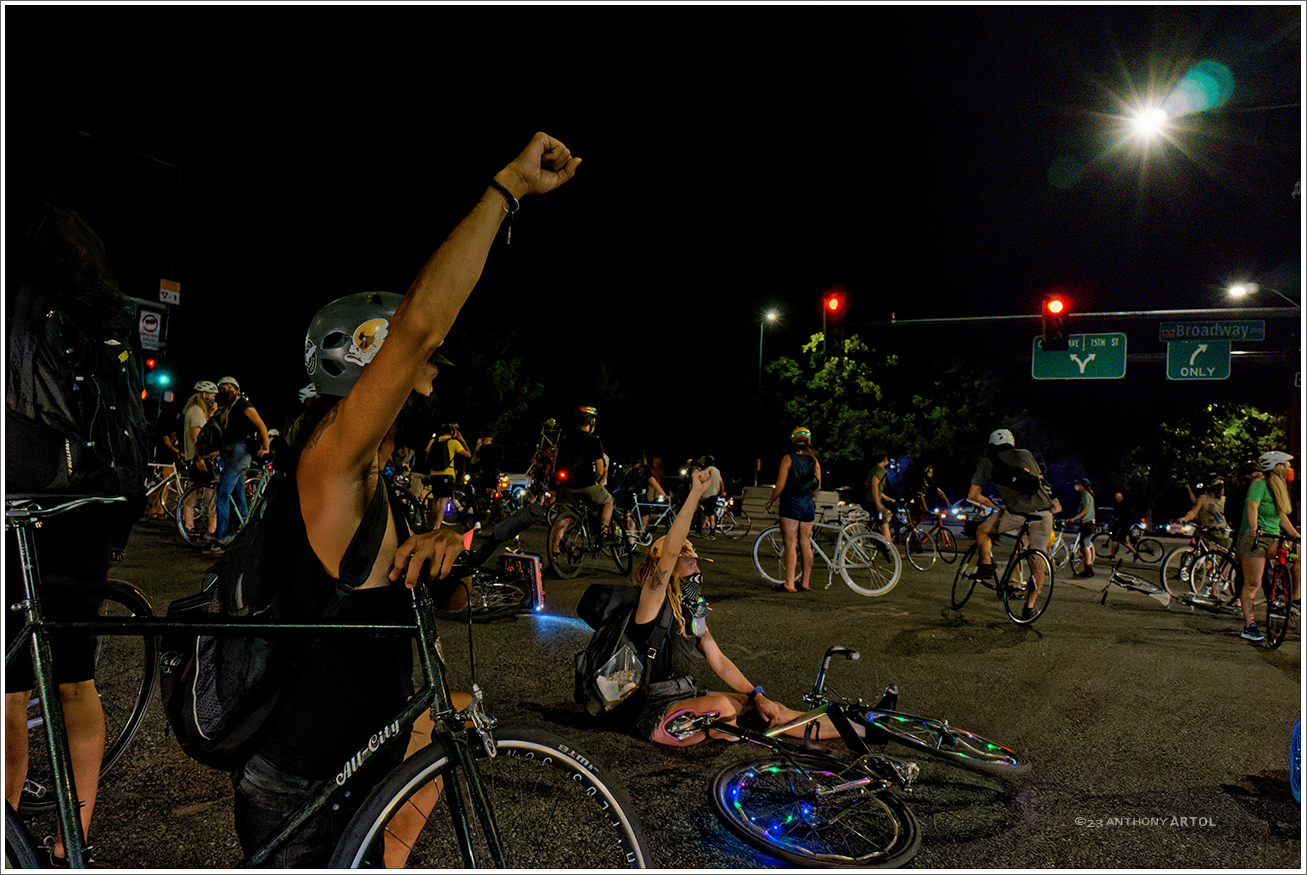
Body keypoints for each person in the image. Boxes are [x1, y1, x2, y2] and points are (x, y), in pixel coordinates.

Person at [230, 131, 580, 867]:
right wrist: (507, 190)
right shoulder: (330, 459)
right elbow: (421, 322)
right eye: (419, 362)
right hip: (305, 786)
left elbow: (432, 600)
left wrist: (441, 548)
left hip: (369, 768)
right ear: (363, 363)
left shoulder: (377, 480)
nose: (432, 373)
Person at [5, 186, 149, 866]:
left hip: (22, 514)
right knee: (74, 680)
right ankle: (73, 840)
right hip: (86, 518)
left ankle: (7, 836)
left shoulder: (15, 303)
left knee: (10, 694)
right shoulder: (103, 315)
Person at [629, 469, 861, 748]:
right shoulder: (651, 604)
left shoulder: (693, 610)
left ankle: (859, 728)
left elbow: (717, 659)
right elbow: (669, 552)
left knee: (766, 708)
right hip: (656, 712)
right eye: (690, 562)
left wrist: (757, 695)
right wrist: (695, 493)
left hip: (687, 696)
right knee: (722, 706)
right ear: (670, 568)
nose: (698, 570)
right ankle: (727, 727)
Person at [966, 429, 1055, 621]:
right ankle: (1029, 606)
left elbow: (972, 495)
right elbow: (1036, 479)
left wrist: (992, 505)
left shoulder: (987, 462)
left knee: (982, 531)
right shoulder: (1026, 455)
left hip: (1016, 514)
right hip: (1043, 514)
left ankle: (986, 565)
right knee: (1038, 560)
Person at [1235, 451, 1300, 642]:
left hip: (1273, 538)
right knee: (1253, 584)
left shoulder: (1278, 487)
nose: (1290, 469)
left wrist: (1296, 536)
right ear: (1277, 466)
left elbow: (1281, 516)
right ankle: (1250, 625)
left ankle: (1295, 601)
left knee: (1299, 555)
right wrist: (1254, 527)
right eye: (1287, 465)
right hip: (1254, 539)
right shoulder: (1259, 484)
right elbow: (1252, 506)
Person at [207, 376, 271, 552]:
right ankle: (244, 532)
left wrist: (265, 447)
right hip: (231, 451)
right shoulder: (229, 407)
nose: (225, 390)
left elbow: (260, 424)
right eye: (222, 388)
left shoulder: (243, 404)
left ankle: (220, 538)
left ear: (236, 389)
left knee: (223, 493)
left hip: (239, 452)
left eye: (229, 387)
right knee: (238, 495)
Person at [763, 427, 822, 592]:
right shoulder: (814, 460)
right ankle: (805, 583)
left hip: (791, 504)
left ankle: (789, 583)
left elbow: (780, 483)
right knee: (806, 543)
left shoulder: (788, 458)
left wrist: (770, 500)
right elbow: (818, 485)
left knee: (790, 544)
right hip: (808, 505)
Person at [552, 406, 617, 545]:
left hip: (566, 486)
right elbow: (600, 471)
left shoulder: (564, 439)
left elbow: (555, 465)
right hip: (586, 485)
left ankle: (555, 549)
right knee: (608, 500)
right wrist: (596, 482)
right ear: (592, 421)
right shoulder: (593, 441)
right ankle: (604, 532)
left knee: (563, 520)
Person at [180, 381, 219, 536]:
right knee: (210, 496)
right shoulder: (197, 412)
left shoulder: (194, 410)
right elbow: (196, 437)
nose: (214, 398)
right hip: (199, 458)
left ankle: (189, 526)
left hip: (193, 457)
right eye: (213, 395)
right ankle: (210, 530)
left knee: (192, 493)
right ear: (204, 395)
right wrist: (201, 457)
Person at [422, 422, 469, 529]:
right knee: (444, 500)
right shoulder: (453, 442)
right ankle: (437, 526)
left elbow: (427, 456)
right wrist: (461, 439)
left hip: (434, 474)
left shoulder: (433, 441)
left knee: (436, 500)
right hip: (447, 474)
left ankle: (431, 524)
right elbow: (468, 454)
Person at [1176, 476, 1232, 550]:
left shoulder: (1221, 500)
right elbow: (1193, 511)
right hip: (1207, 532)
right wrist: (1186, 518)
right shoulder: (1204, 498)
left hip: (1221, 533)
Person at [1065, 478, 1097, 578]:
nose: (1077, 486)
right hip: (1087, 523)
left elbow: (1084, 510)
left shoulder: (1085, 495)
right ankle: (1089, 569)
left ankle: (1087, 570)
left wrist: (1073, 519)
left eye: (1078, 484)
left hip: (1086, 524)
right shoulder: (1087, 494)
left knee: (1086, 546)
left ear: (1083, 486)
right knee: (1083, 545)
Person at [863, 451, 896, 543]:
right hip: (872, 501)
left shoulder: (873, 470)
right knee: (885, 519)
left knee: (887, 514)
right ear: (884, 460)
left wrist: (889, 499)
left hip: (869, 500)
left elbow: (878, 490)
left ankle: (877, 534)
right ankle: (888, 547)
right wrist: (878, 504)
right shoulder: (880, 470)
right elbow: (874, 486)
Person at [696, 456, 726, 538]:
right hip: (714, 495)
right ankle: (701, 530)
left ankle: (711, 532)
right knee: (708, 513)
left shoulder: (706, 471)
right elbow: (722, 483)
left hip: (708, 495)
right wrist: (720, 493)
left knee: (710, 514)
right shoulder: (716, 470)